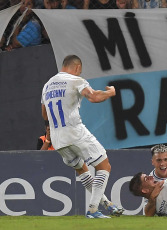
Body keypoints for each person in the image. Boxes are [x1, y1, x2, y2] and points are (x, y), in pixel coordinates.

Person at [41, 55, 124, 218]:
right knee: (104, 166)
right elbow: (94, 96)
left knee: (82, 169)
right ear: (77, 67)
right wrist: (110, 93)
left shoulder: (47, 86)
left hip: (58, 139)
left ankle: (106, 203)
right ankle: (93, 210)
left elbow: (44, 114)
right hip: (74, 131)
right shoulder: (75, 80)